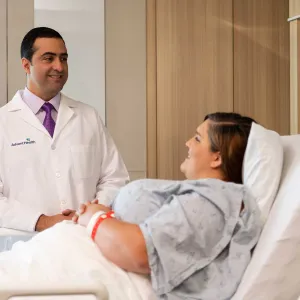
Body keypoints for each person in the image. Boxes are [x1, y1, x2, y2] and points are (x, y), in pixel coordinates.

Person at [72, 112, 262, 299]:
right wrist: (104, 214)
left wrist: (95, 218)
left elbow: (139, 252)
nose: (188, 143)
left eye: (197, 138)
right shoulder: (203, 196)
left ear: (217, 158)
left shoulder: (215, 200)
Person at [0, 27, 129, 232]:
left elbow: (115, 178)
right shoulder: (3, 122)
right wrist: (43, 221)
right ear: (26, 65)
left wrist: (91, 212)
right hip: (24, 246)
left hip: (84, 241)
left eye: (64, 58)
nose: (59, 67)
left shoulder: (88, 117)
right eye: (48, 58)